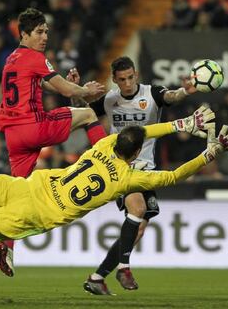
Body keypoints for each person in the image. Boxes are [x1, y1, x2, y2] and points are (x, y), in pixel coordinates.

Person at [0, 109, 228, 273]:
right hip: (33, 214)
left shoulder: (103, 145)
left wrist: (177, 125)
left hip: (25, 186)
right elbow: (172, 176)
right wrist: (209, 152)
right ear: (136, 153)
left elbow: (141, 134)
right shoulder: (128, 180)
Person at [0, 8, 107, 277]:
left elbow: (38, 84)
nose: (45, 37)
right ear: (24, 34)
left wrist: (63, 85)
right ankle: (111, 159)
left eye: (46, 31)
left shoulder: (12, 59)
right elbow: (69, 92)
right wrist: (85, 91)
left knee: (16, 193)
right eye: (39, 32)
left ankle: (5, 246)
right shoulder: (35, 57)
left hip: (13, 136)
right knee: (89, 113)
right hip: (33, 127)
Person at [81, 56, 199, 293]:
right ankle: (123, 268)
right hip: (120, 167)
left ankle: (97, 277)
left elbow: (171, 97)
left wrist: (184, 92)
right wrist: (76, 94)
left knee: (138, 230)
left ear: (136, 74)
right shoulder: (109, 100)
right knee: (137, 210)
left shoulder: (151, 93)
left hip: (147, 168)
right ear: (114, 79)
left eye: (130, 77)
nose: (127, 83)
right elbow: (82, 114)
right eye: (121, 79)